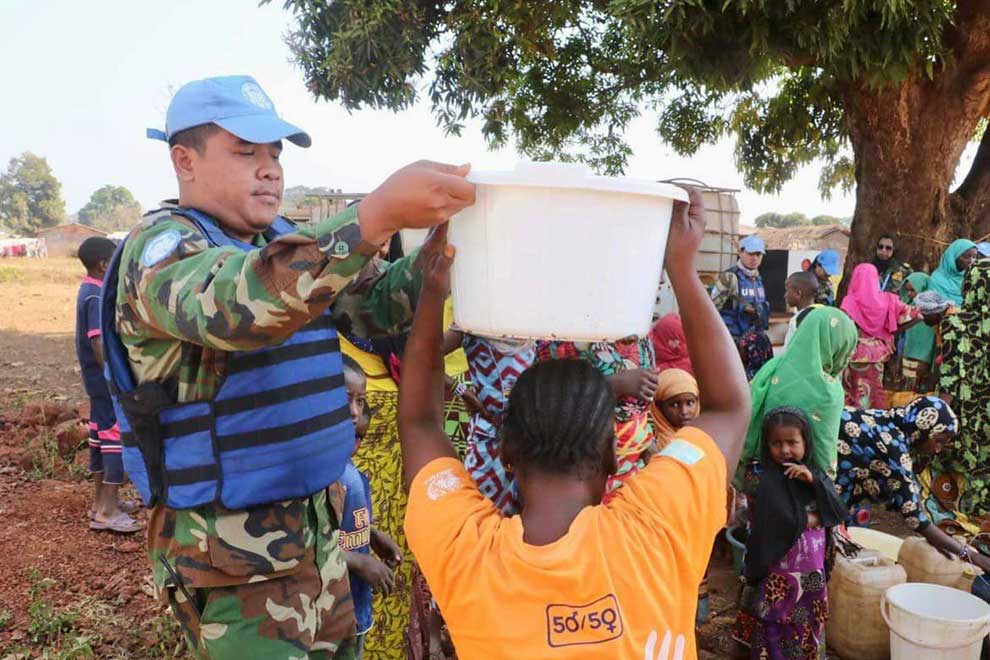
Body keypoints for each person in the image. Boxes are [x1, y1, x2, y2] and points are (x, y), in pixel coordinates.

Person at [101, 75, 474, 659]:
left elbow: (376, 306)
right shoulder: (163, 251)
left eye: (274, 154)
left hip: (318, 539)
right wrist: (374, 216)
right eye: (245, 152)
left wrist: (444, 253)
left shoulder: (283, 240)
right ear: (184, 160)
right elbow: (238, 305)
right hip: (231, 564)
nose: (270, 170)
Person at [399, 189, 751, 659]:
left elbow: (420, 424)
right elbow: (729, 408)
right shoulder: (658, 522)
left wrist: (433, 293)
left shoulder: (466, 550)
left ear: (506, 452)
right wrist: (682, 270)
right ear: (611, 454)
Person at [734, 407, 846, 660]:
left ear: (806, 441)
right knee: (774, 619)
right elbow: (777, 520)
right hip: (776, 571)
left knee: (808, 618)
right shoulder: (759, 475)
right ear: (767, 444)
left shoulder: (814, 473)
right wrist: (815, 518)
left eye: (792, 442)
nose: (784, 450)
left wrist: (813, 482)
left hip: (810, 572)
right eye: (776, 443)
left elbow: (838, 509)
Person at [833, 397, 990, 571]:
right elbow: (915, 517)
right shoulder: (893, 448)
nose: (937, 450)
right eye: (938, 440)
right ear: (924, 428)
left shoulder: (886, 419)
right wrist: (971, 556)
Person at [736, 307, 858, 484]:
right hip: (801, 482)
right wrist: (823, 484)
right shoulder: (828, 390)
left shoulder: (773, 367)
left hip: (755, 476)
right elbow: (824, 455)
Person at [921, 261, 990, 552]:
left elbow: (950, 377)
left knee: (952, 463)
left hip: (969, 413)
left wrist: (938, 417)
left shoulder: (957, 323)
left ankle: (958, 527)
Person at [75, 237, 142, 534]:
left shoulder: (89, 288)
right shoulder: (95, 296)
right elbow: (98, 342)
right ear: (105, 264)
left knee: (100, 436)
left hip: (96, 382)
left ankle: (99, 502)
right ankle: (107, 511)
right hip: (104, 382)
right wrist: (114, 377)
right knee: (115, 438)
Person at [535, 336, 658, 497]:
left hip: (635, 466)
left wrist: (648, 441)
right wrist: (614, 383)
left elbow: (640, 406)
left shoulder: (639, 334)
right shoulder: (563, 336)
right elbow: (545, 396)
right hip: (581, 467)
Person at [338, 358, 402, 660]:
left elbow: (348, 524)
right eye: (346, 399)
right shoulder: (317, 477)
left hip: (356, 610)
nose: (354, 411)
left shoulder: (355, 476)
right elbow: (303, 546)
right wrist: (359, 562)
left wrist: (371, 535)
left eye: (360, 401)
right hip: (325, 619)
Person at [442, 329, 535, 515]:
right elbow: (423, 358)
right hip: (487, 441)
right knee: (481, 514)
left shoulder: (532, 323)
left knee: (523, 518)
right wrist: (462, 391)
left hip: (527, 442)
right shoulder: (472, 324)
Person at [840, 263, 922, 408]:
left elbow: (843, 330)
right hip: (877, 354)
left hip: (853, 354)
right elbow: (917, 315)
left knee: (853, 394)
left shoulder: (849, 302)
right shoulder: (888, 300)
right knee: (874, 392)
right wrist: (894, 331)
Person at [710, 234, 773, 379]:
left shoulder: (757, 278)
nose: (754, 258)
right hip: (733, 342)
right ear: (740, 252)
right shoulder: (729, 278)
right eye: (750, 253)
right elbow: (711, 310)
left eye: (758, 254)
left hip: (753, 344)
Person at [649, 368, 700, 451]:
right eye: (674, 405)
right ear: (659, 406)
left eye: (690, 403)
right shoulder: (652, 446)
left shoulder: (706, 434)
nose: (684, 411)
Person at [928, 238, 978, 305]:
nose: (972, 261)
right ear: (953, 257)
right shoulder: (937, 280)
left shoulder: (973, 278)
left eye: (974, 257)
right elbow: (937, 306)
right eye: (966, 257)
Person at [782, 271, 820, 349]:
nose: (785, 295)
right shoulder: (823, 313)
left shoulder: (797, 320)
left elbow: (788, 352)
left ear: (798, 294)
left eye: (787, 290)